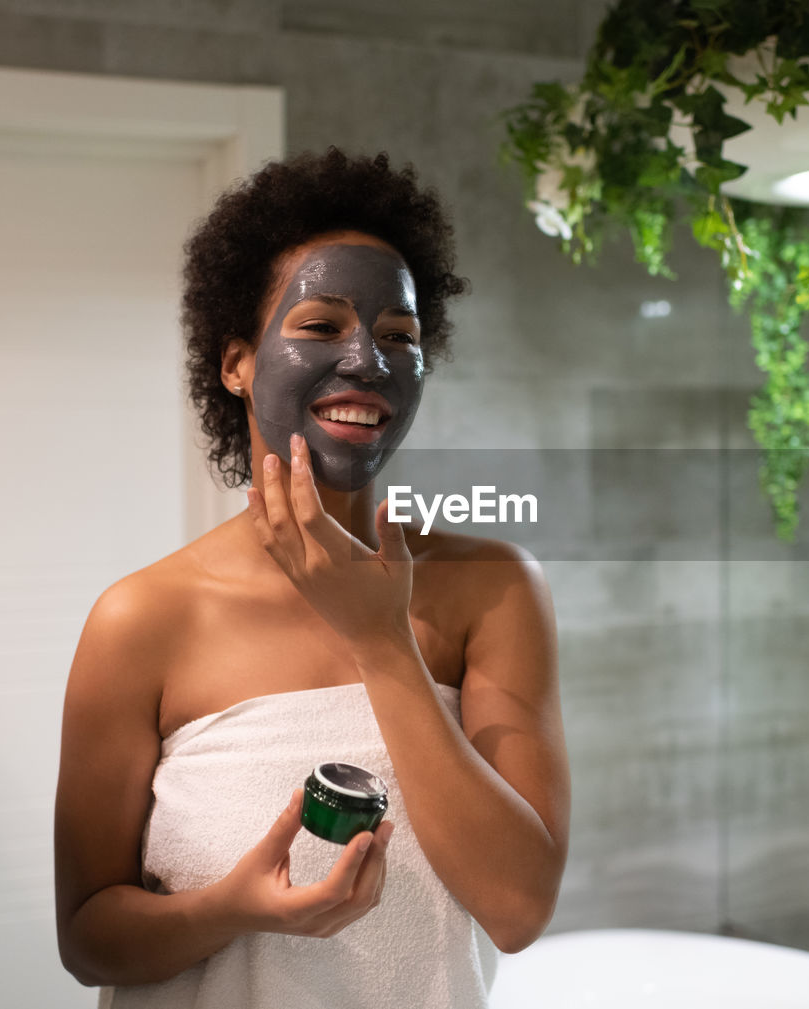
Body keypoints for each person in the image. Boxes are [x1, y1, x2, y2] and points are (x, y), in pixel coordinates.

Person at [53, 148, 570, 1008]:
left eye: (398, 336)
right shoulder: (142, 619)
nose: (367, 359)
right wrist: (230, 909)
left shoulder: (496, 589)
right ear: (236, 363)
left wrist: (382, 641)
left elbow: (517, 907)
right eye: (321, 325)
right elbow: (87, 935)